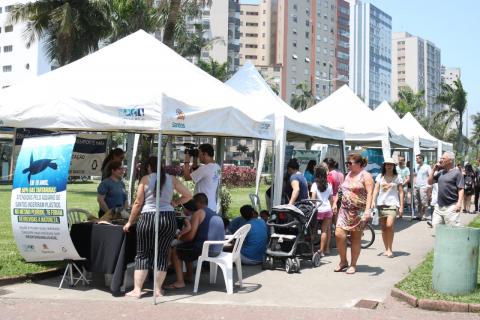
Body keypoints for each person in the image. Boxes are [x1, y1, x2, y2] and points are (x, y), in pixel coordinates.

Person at [122, 156, 192, 298]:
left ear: (148, 167)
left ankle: (137, 290)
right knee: (161, 254)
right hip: (167, 219)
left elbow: (137, 203)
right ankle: (158, 290)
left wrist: (130, 221)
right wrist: (175, 202)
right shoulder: (172, 179)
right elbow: (188, 195)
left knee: (142, 254)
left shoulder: (145, 179)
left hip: (148, 218)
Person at [170, 193, 225, 286]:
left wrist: (180, 237)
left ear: (197, 202)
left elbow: (190, 236)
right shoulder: (213, 213)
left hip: (206, 250)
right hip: (218, 249)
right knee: (185, 247)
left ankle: (180, 282)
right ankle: (189, 276)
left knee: (176, 250)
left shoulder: (198, 213)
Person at [333, 153, 374, 275]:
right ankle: (343, 261)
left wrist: (368, 210)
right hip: (344, 210)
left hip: (359, 211)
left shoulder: (366, 176)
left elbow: (370, 194)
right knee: (339, 234)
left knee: (356, 238)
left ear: (359, 164)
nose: (348, 166)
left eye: (350, 163)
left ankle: (353, 264)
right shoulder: (348, 175)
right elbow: (341, 190)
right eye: (347, 163)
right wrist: (335, 202)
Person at [371, 158, 404, 258]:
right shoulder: (380, 177)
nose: (389, 166)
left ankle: (390, 248)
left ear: (394, 166)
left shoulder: (397, 177)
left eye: (391, 164)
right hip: (381, 204)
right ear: (384, 166)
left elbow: (401, 192)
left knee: (389, 225)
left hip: (393, 205)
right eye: (387, 164)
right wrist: (373, 201)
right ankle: (386, 249)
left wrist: (401, 206)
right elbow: (376, 190)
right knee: (384, 228)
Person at [427, 151, 464, 227]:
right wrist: (433, 170)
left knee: (452, 230)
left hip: (451, 207)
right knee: (436, 228)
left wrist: (459, 203)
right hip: (439, 207)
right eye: (440, 158)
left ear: (450, 160)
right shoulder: (440, 172)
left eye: (443, 158)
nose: (440, 160)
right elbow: (430, 182)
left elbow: (461, 189)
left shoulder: (457, 173)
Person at [183, 144, 221, 212]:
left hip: (202, 207)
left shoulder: (205, 169)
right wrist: (194, 158)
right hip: (212, 206)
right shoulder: (217, 167)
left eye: (199, 153)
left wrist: (186, 161)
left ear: (205, 154)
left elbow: (187, 177)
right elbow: (197, 175)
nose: (198, 156)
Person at [310, 165, 333, 256]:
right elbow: (330, 198)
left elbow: (313, 199)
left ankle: (311, 250)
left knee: (313, 230)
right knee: (324, 231)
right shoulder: (329, 185)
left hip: (317, 210)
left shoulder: (315, 185)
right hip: (327, 209)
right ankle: (322, 251)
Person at [414, 154, 432, 220]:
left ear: (422, 159)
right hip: (416, 186)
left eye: (418, 158)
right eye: (416, 158)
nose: (417, 159)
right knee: (417, 202)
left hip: (424, 186)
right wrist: (414, 183)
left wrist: (429, 186)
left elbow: (430, 176)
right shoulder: (416, 166)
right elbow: (415, 175)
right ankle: (419, 214)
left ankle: (424, 215)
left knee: (423, 201)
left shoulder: (427, 166)